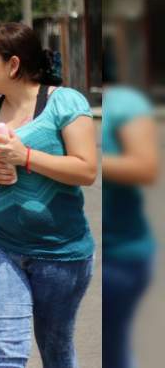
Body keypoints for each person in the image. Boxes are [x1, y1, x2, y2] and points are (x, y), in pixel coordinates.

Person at [0, 22, 97, 367]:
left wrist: (25, 157)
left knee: (56, 350)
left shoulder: (64, 102)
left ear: (13, 64)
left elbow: (86, 170)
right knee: (7, 355)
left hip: (61, 253)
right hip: (1, 246)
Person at [102, 84, 159, 368]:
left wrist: (87, 161)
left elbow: (146, 167)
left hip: (123, 256)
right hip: (101, 254)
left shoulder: (125, 103)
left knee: (114, 350)